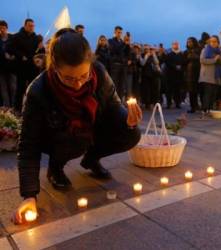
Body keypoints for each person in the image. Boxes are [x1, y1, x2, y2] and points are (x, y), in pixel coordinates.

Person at [12, 28, 142, 225]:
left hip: (89, 128)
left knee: (132, 134)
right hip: (58, 136)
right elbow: (28, 145)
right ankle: (55, 167)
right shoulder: (38, 91)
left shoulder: (99, 72)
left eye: (83, 76)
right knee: (76, 141)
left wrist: (128, 121)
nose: (78, 84)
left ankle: (91, 159)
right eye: (69, 78)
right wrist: (29, 196)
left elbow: (113, 106)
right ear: (54, 67)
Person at [8, 18, 39, 112]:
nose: (31, 27)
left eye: (33, 26)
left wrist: (40, 49)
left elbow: (38, 52)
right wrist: (21, 56)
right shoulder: (17, 36)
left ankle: (30, 109)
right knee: (19, 89)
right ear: (25, 25)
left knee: (32, 89)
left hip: (32, 68)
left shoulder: (36, 38)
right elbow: (9, 48)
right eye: (29, 25)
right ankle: (17, 109)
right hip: (21, 67)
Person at [199, 35, 221, 113]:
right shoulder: (205, 50)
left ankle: (210, 109)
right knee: (207, 93)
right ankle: (204, 109)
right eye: (211, 41)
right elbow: (202, 60)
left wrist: (220, 60)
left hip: (216, 76)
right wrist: (214, 59)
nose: (213, 43)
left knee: (213, 93)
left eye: (215, 41)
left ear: (218, 42)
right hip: (207, 76)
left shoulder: (219, 51)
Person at [108, 26, 130, 101]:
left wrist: (127, 44)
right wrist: (124, 43)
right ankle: (114, 101)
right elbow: (115, 50)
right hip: (115, 66)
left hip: (123, 66)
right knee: (115, 85)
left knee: (122, 86)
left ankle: (120, 101)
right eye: (118, 32)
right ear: (114, 32)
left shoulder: (122, 42)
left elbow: (127, 53)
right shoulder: (111, 41)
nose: (119, 34)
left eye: (121, 32)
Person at [0, 20, 17, 108]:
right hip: (1, 68)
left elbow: (17, 49)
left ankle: (13, 107)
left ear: (7, 28)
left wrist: (13, 56)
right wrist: (3, 54)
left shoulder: (12, 38)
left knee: (13, 88)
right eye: (0, 28)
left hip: (12, 68)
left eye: (3, 28)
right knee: (3, 89)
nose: (2, 30)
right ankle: (7, 109)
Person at [139, 45, 161, 109]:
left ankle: (153, 103)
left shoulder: (153, 56)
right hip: (145, 75)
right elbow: (142, 63)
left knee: (153, 90)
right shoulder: (142, 55)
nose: (148, 50)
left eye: (149, 49)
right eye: (146, 49)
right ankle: (147, 103)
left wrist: (153, 55)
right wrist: (146, 56)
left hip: (153, 75)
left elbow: (157, 63)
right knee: (146, 90)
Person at [183, 37, 200, 113]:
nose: (189, 43)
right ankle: (193, 107)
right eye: (188, 42)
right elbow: (183, 62)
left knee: (197, 91)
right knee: (191, 91)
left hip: (197, 73)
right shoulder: (186, 52)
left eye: (190, 41)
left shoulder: (199, 50)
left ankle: (197, 106)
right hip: (189, 74)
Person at [165, 41, 184, 109]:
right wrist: (175, 66)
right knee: (169, 90)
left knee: (178, 90)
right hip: (170, 75)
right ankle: (169, 103)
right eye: (174, 44)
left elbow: (184, 63)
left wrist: (180, 66)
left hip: (179, 75)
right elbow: (167, 63)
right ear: (172, 46)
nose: (176, 45)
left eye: (177, 44)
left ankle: (177, 103)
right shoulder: (169, 54)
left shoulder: (182, 54)